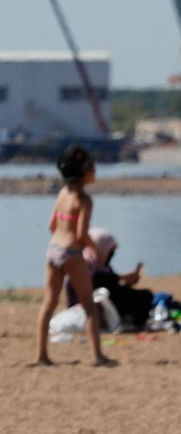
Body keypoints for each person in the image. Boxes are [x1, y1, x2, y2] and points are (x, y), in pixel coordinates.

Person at [34, 146, 115, 367]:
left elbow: (52, 225)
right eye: (92, 168)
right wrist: (95, 251)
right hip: (71, 253)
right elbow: (81, 234)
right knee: (89, 305)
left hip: (53, 250)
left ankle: (41, 354)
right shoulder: (85, 200)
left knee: (48, 303)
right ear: (84, 173)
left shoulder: (62, 194)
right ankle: (98, 356)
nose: (95, 171)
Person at [68, 228, 152, 330]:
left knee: (145, 295)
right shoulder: (83, 262)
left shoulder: (102, 264)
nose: (112, 255)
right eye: (110, 251)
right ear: (100, 247)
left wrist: (128, 282)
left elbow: (113, 287)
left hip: (103, 303)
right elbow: (98, 282)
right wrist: (121, 278)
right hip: (83, 308)